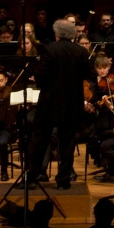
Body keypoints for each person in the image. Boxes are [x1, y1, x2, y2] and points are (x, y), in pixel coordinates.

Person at [27, 19, 90, 190]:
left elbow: (40, 76)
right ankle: (63, 180)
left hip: (50, 103)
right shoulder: (81, 51)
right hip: (72, 103)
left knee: (40, 139)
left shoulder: (49, 50)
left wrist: (39, 80)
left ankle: (32, 177)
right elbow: (88, 74)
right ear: (72, 34)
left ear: (56, 33)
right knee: (67, 142)